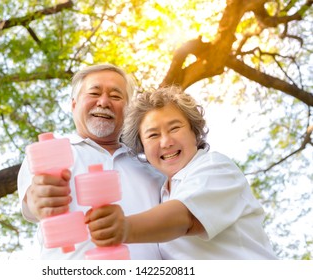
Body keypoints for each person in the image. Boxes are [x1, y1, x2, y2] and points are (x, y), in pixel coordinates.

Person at [86, 85, 277, 259]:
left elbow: (185, 217)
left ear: (194, 132)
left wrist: (125, 227)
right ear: (142, 146)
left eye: (175, 128)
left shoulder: (215, 167)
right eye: (153, 135)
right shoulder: (161, 193)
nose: (166, 142)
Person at [17, 64, 165, 260]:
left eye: (115, 96)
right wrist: (40, 198)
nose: (103, 102)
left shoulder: (154, 167)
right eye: (94, 93)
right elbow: (34, 200)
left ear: (128, 110)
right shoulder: (48, 156)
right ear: (74, 104)